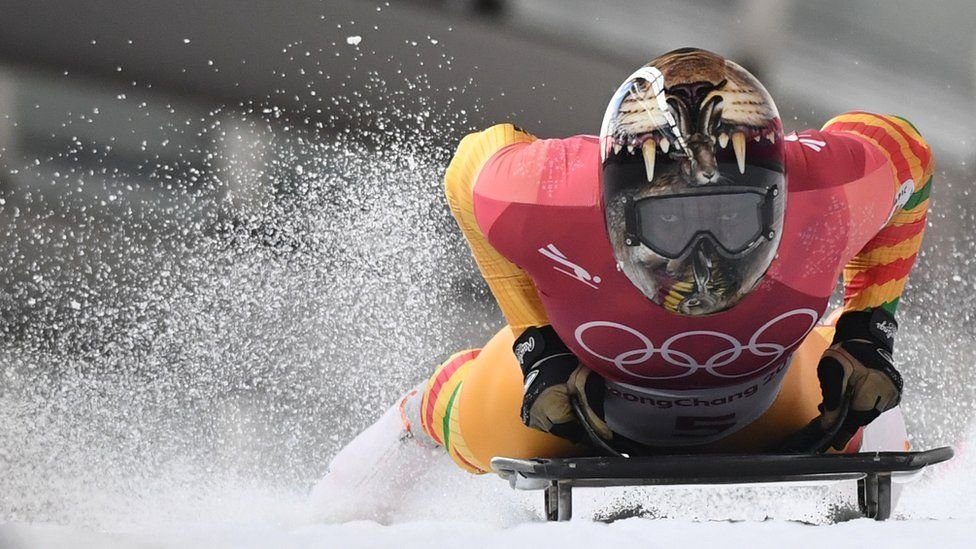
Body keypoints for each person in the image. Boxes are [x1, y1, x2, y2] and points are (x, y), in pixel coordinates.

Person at [314, 48, 933, 500]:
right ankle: (421, 410)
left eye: (729, 217)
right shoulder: (546, 192)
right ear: (612, 211)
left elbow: (912, 154)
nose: (702, 261)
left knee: (860, 401)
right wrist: (537, 346)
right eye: (671, 222)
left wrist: (867, 334)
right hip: (627, 397)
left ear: (779, 198)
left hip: (757, 389)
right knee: (482, 420)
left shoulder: (830, 186)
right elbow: (465, 172)